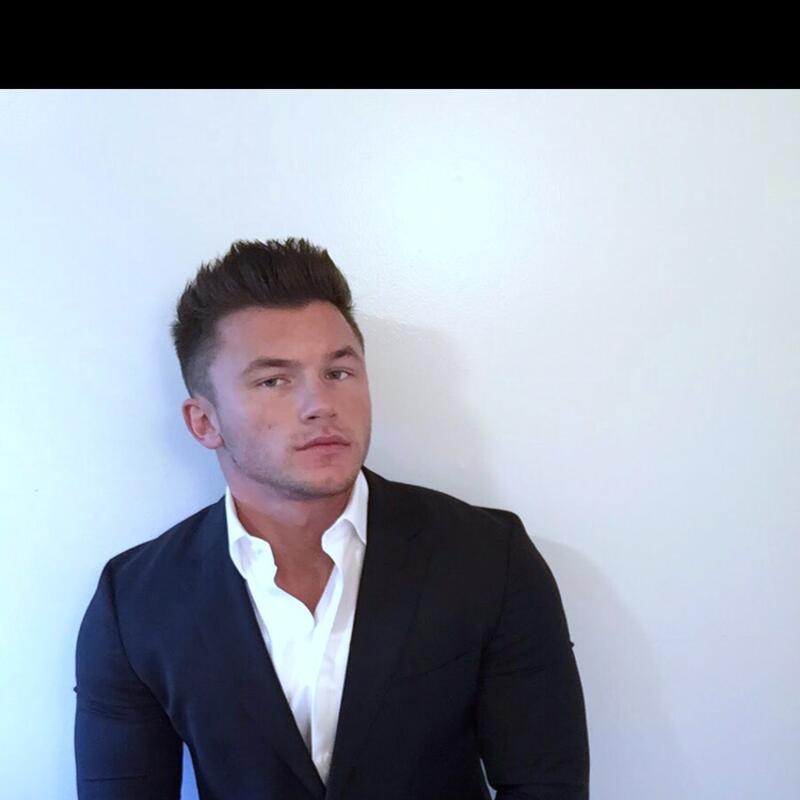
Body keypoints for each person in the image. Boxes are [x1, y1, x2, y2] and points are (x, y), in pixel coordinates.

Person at [74, 237, 590, 800]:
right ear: (204, 422)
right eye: (274, 380)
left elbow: (545, 785)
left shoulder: (489, 557)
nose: (319, 404)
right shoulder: (136, 601)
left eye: (339, 372)